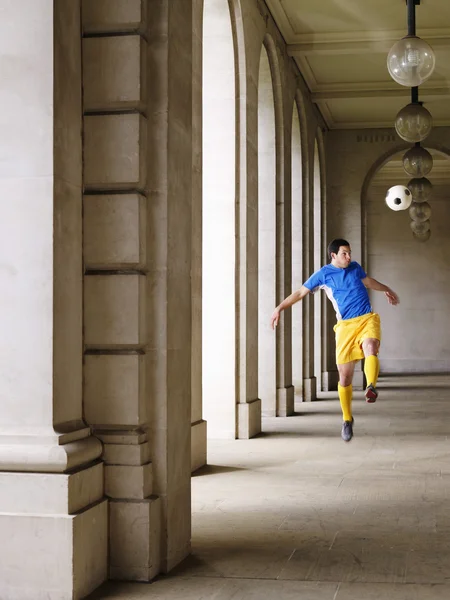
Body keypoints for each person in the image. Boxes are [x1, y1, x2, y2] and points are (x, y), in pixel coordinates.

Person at [270, 238, 399, 442]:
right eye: (344, 254)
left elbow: (369, 282)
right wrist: (279, 307)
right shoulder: (323, 274)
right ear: (333, 255)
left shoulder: (355, 268)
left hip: (366, 319)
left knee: (371, 346)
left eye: (349, 253)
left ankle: (371, 387)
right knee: (345, 377)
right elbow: (300, 292)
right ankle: (347, 419)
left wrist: (386, 289)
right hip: (345, 327)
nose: (349, 257)